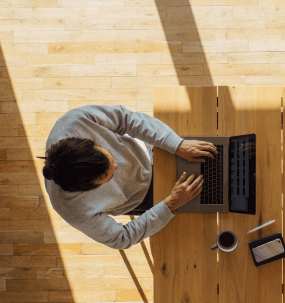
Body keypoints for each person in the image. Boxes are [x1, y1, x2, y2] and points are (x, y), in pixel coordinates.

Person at [37, 105, 217, 250]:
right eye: (109, 175)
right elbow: (121, 239)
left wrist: (177, 144)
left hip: (150, 154)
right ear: (90, 188)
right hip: (144, 199)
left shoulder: (75, 121)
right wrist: (170, 205)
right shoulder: (72, 210)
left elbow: (126, 119)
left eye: (110, 156)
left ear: (90, 142)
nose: (116, 166)